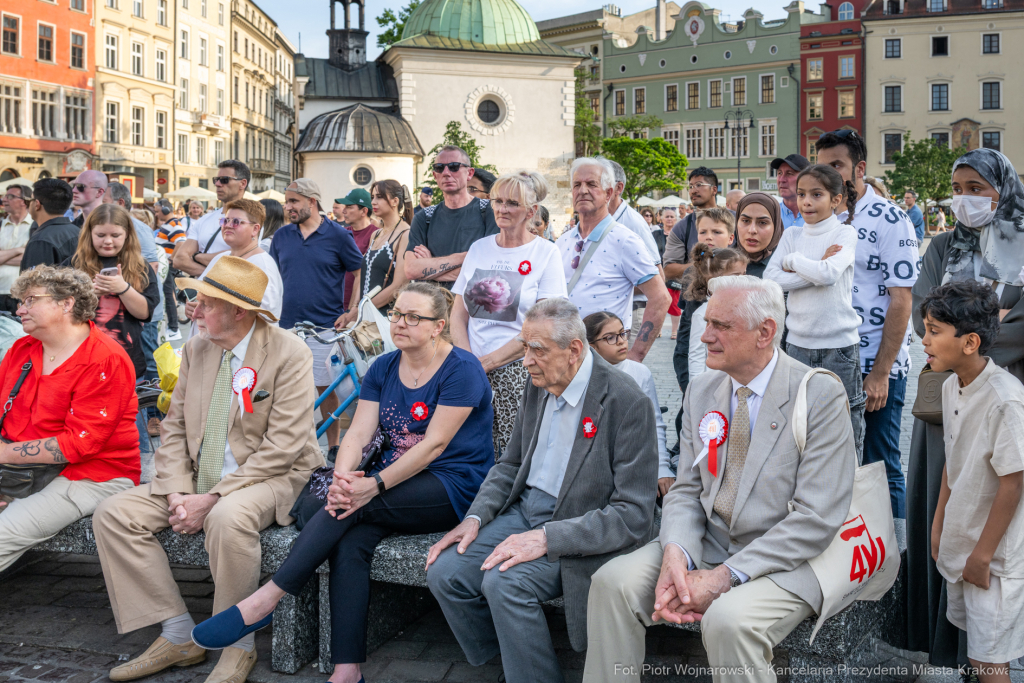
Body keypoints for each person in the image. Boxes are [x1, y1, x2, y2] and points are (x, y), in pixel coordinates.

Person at [189, 282, 495, 683]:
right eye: (396, 314)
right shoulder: (385, 365)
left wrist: (373, 486)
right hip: (389, 487)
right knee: (349, 538)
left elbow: (435, 446)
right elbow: (357, 434)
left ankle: (267, 599)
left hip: (451, 485)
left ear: (439, 326)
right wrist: (342, 478)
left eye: (412, 317)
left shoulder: (462, 368)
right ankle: (347, 669)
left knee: (354, 506)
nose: (399, 323)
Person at [584, 275, 856, 683]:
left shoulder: (818, 395)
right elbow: (687, 489)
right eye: (706, 322)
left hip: (786, 561)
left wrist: (723, 577)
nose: (704, 337)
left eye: (721, 326)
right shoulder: (703, 389)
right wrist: (675, 553)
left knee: (728, 620)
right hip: (708, 543)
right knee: (611, 583)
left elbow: (815, 519)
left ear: (765, 332)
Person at [91, 256, 323, 683]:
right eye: (194, 300)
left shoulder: (289, 351)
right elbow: (175, 427)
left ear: (239, 311)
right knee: (114, 514)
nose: (192, 310)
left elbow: (284, 447)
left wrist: (211, 497)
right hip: (200, 475)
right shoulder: (197, 347)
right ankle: (179, 633)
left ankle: (236, 644)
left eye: (205, 303)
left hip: (272, 476)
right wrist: (179, 492)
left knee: (228, 517)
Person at [425, 297, 658, 683]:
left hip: (579, 524)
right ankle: (513, 658)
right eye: (524, 346)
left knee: (505, 583)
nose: (526, 359)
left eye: (537, 349)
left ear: (574, 350)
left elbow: (634, 513)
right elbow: (511, 463)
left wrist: (549, 538)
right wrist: (475, 517)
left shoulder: (625, 400)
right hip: (525, 508)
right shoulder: (540, 381)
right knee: (445, 571)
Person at [905, 148, 1024, 669]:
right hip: (946, 394)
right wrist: (960, 341)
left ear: (1004, 189)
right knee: (945, 503)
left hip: (1003, 386)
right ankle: (947, 644)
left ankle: (997, 646)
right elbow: (923, 312)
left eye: (978, 187)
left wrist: (979, 344)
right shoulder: (941, 244)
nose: (966, 198)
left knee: (999, 504)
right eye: (960, 187)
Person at [0, 266, 139, 572]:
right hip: (26, 471)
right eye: (20, 301)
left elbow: (79, 445)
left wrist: (5, 456)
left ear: (66, 303)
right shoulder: (22, 349)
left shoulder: (105, 359)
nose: (19, 309)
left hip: (94, 475)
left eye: (30, 299)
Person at [920, 279, 1024, 682]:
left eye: (934, 331)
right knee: (977, 652)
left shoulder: (1005, 400)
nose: (924, 340)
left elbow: (1013, 483)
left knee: (990, 662)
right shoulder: (950, 386)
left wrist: (982, 555)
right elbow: (953, 458)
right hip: (962, 542)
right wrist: (939, 524)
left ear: (970, 343)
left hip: (994, 557)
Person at [816, 129, 918, 518]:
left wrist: (881, 372)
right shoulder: (825, 218)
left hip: (874, 365)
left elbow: (901, 299)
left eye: (836, 166)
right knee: (834, 465)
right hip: (829, 360)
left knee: (880, 464)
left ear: (859, 168)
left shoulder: (891, 219)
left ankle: (898, 562)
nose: (828, 175)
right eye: (822, 166)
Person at [452, 171, 566, 460]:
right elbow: (458, 314)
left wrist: (488, 363)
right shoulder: (480, 249)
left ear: (531, 211)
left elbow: (542, 325)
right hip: (471, 367)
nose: (502, 209)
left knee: (514, 455)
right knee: (470, 450)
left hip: (520, 369)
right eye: (498, 201)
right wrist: (468, 362)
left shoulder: (546, 253)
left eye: (512, 203)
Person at [764, 164, 865, 458]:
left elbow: (829, 275)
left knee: (845, 427)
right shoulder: (793, 235)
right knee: (798, 428)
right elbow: (770, 279)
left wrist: (794, 261)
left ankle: (850, 496)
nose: (806, 202)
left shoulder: (845, 234)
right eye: (802, 194)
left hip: (839, 348)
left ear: (836, 199)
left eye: (816, 194)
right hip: (797, 346)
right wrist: (814, 267)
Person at [270, 178, 363, 462]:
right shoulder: (282, 236)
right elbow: (272, 277)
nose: (288, 208)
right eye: (287, 202)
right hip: (286, 327)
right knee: (285, 390)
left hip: (325, 326)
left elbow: (358, 270)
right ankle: (292, 445)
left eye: (294, 202)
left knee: (326, 388)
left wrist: (353, 308)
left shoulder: (338, 235)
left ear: (312, 202)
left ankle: (333, 445)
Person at [557, 157, 669, 362]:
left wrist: (635, 356)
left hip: (603, 359)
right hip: (565, 356)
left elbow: (661, 297)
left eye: (591, 184)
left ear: (609, 193)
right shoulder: (563, 241)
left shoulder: (624, 240)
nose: (582, 190)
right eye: (577, 185)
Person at [584, 310, 671, 496]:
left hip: (633, 460)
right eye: (610, 338)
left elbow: (654, 423)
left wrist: (662, 467)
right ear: (592, 346)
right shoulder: (582, 377)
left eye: (623, 333)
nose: (622, 341)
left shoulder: (640, 372)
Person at [70, 204, 160, 382]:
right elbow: (60, 311)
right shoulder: (74, 264)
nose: (108, 241)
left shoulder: (140, 267)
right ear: (89, 234)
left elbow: (144, 313)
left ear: (127, 235)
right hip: (80, 361)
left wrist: (123, 289)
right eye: (101, 235)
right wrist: (89, 294)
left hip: (126, 361)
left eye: (115, 235)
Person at [404, 146, 500, 288]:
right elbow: (411, 270)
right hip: (434, 305)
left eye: (454, 167)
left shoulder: (490, 210)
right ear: (435, 175)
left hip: (474, 303)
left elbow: (489, 268)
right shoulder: (424, 217)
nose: (446, 173)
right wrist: (469, 256)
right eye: (439, 168)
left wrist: (430, 265)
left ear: (469, 173)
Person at [185, 198, 283, 337]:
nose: (228, 225)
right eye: (225, 221)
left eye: (236, 222)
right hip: (207, 349)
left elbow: (267, 315)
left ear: (255, 229)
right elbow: (199, 292)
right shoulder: (222, 257)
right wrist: (193, 304)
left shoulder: (262, 265)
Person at [607, 160, 667, 345]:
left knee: (626, 368)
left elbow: (659, 274)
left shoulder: (632, 221)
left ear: (618, 188)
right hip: (609, 312)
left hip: (632, 309)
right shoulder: (597, 220)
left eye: (597, 182)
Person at [337, 180, 410, 324]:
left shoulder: (405, 234)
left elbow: (399, 285)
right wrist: (352, 310)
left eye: (379, 197)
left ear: (395, 201)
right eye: (372, 198)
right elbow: (363, 276)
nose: (373, 202)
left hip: (387, 319)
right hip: (365, 318)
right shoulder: (375, 235)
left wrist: (361, 310)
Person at [172, 160, 250, 277]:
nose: (218, 184)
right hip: (202, 293)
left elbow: (240, 259)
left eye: (224, 180)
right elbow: (179, 259)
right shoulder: (205, 219)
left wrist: (196, 256)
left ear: (242, 184)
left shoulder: (253, 219)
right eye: (216, 180)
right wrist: (213, 278)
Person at [686, 246, 750, 382]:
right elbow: (696, 355)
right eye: (736, 275)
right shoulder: (702, 314)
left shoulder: (745, 309)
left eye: (744, 274)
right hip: (714, 382)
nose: (743, 280)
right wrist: (696, 387)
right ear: (714, 278)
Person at [664, 167, 721, 282]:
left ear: (714, 190)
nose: (693, 191)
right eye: (690, 187)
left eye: (699, 185)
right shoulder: (681, 227)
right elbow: (668, 270)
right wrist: (704, 265)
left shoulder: (735, 220)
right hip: (695, 295)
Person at [21, 179, 80, 272]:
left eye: (30, 200)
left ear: (37, 204)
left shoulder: (41, 240)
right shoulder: (79, 232)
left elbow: (34, 283)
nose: (29, 204)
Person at [334, 189, 379, 311]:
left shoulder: (376, 235)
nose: (344, 211)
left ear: (364, 211)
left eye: (349, 207)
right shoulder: (342, 233)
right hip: (336, 302)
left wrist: (353, 308)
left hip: (358, 305)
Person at [154, 201, 187, 341]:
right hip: (165, 265)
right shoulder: (168, 225)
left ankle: (173, 328)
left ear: (166, 210)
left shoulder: (174, 224)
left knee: (168, 295)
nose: (156, 214)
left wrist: (170, 260)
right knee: (169, 295)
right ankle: (172, 327)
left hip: (167, 266)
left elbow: (181, 241)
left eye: (157, 211)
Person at [733, 193, 783, 278]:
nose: (752, 230)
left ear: (776, 227)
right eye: (745, 221)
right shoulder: (722, 263)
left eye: (762, 222)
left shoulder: (786, 267)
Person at [0, 184, 33, 313]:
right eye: (4, 196)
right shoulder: (1, 224)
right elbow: (25, 255)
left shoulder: (35, 226)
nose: (4, 199)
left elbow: (30, 258)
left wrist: (2, 256)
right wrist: (18, 250)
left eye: (10, 196)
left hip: (21, 295)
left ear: (24, 201)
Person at [770, 154, 810, 229]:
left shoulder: (818, 215)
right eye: (779, 173)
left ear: (806, 178)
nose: (781, 180)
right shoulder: (770, 214)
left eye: (789, 174)